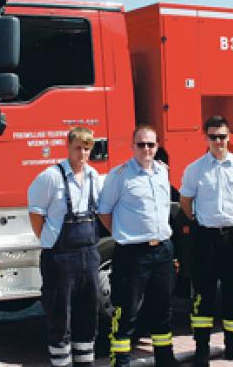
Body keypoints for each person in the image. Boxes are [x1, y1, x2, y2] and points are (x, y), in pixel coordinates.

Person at [180, 116, 233, 365]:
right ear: (206, 138)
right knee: (203, 295)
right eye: (213, 137)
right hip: (206, 238)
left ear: (229, 137)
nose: (218, 141)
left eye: (222, 136)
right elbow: (185, 201)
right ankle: (201, 349)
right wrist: (198, 220)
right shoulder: (195, 169)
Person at [98, 124, 178, 367]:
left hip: (162, 250)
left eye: (151, 144)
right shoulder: (119, 175)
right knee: (126, 311)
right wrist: (122, 234)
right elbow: (104, 211)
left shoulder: (163, 172)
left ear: (157, 147)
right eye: (141, 144)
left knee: (162, 309)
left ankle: (165, 359)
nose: (146, 149)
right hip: (133, 253)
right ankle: (120, 361)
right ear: (132, 146)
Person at [28, 127, 103, 367]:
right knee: (60, 317)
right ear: (68, 148)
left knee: (88, 314)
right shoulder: (51, 177)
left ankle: (85, 363)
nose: (82, 153)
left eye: (87, 148)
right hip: (60, 259)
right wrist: (49, 242)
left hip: (89, 256)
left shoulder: (94, 176)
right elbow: (36, 215)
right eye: (78, 148)